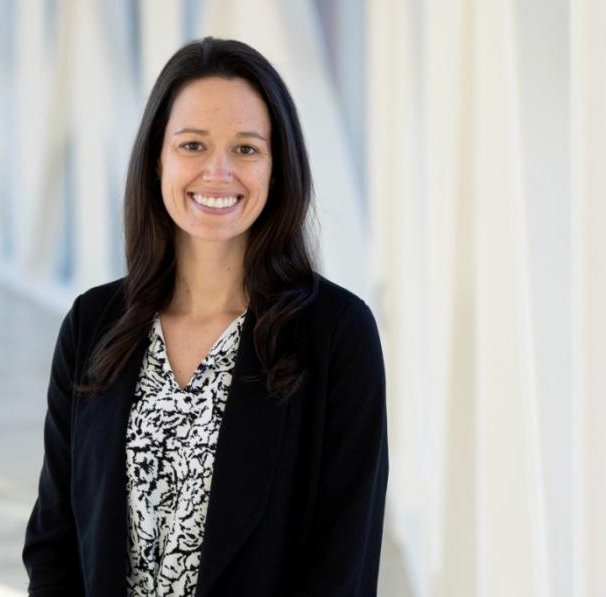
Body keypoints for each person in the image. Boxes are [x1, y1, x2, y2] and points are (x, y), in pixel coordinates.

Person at [23, 37, 388, 597]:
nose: (218, 173)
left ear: (278, 165)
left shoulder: (337, 335)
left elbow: (343, 564)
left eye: (246, 149)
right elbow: (54, 540)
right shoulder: (92, 324)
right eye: (193, 145)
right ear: (157, 160)